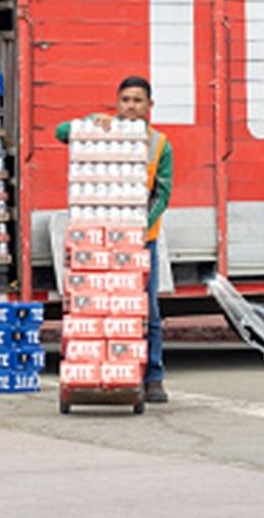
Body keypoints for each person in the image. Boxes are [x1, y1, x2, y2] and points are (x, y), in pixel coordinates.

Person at [56, 76, 173, 403]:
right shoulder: (102, 130)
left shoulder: (159, 145)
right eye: (125, 100)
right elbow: (61, 132)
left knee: (146, 309)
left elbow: (162, 195)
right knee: (91, 310)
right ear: (117, 102)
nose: (131, 107)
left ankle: (154, 376)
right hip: (93, 243)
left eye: (138, 101)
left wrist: (138, 229)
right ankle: (95, 374)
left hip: (138, 242)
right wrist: (92, 121)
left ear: (149, 106)